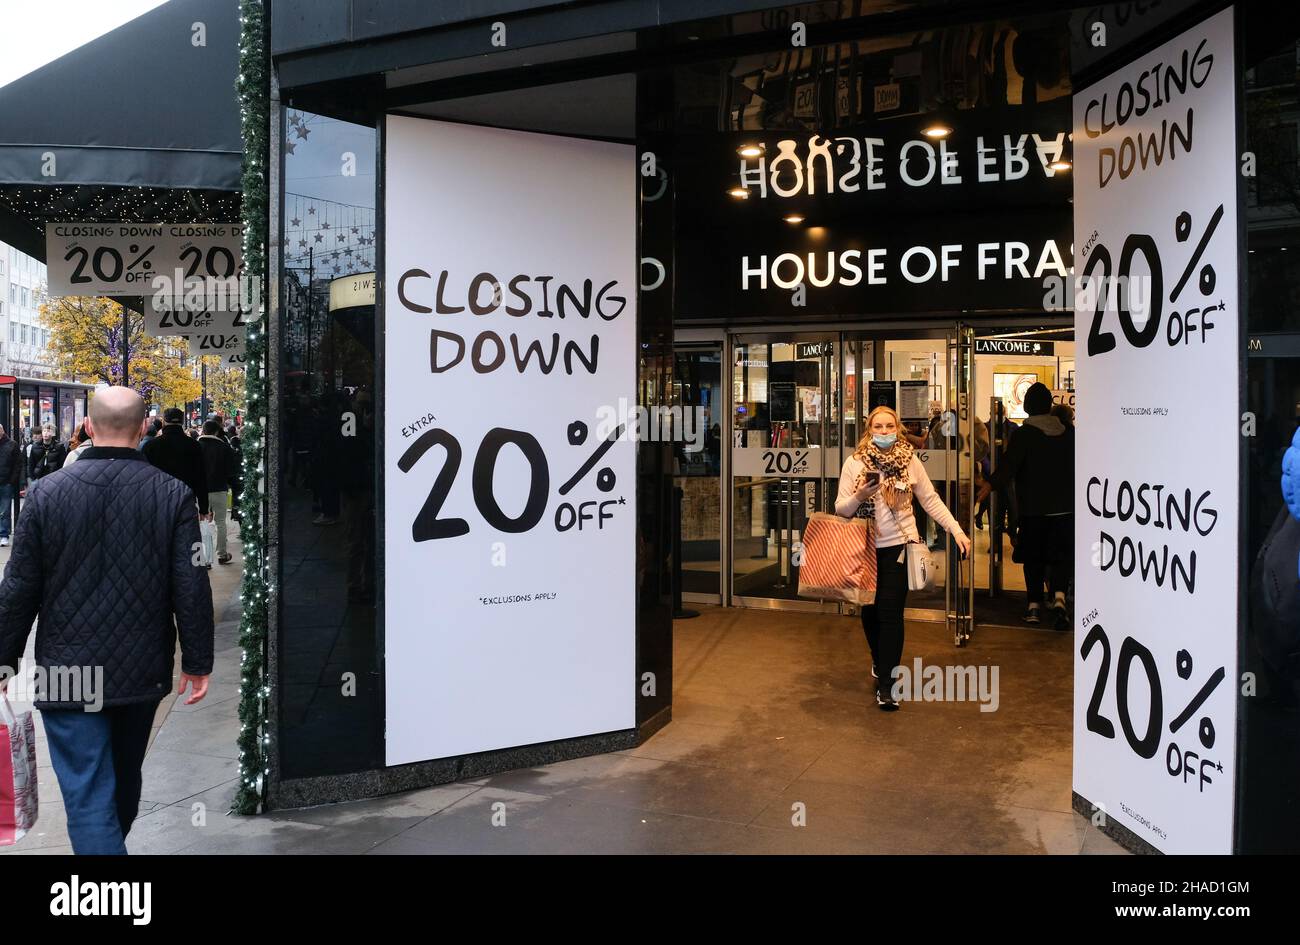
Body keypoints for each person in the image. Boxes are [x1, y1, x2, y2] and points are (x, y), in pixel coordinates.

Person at [0, 387, 214, 855]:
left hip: (67, 671)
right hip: (140, 666)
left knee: (90, 794)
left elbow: (18, 588)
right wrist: (197, 660)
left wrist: (4, 659)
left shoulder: (46, 494)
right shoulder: (172, 495)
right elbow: (191, 583)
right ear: (142, 428)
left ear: (89, 427)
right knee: (121, 781)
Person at [836, 405, 971, 711]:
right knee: (869, 614)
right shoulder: (855, 463)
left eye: (889, 426)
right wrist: (861, 494)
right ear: (869, 430)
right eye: (878, 427)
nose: (884, 432)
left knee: (890, 614)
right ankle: (879, 660)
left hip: (899, 546)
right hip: (864, 547)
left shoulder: (909, 460)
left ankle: (888, 684)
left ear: (898, 429)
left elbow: (930, 500)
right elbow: (840, 509)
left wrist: (956, 530)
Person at [978, 382, 1074, 630]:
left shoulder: (1024, 434)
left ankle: (1033, 605)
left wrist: (989, 486)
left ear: (1028, 406)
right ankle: (1060, 600)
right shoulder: (1069, 433)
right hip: (1065, 509)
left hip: (1033, 510)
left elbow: (1009, 467)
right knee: (1061, 556)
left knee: (1034, 558)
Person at [143, 407, 209, 516]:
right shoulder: (194, 445)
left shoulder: (151, 446)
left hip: (159, 498)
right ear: (182, 421)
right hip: (186, 498)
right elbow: (200, 476)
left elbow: (145, 477)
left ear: (164, 421)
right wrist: (203, 507)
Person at [198, 419, 237, 565]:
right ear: (216, 431)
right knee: (220, 522)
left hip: (200, 490)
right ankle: (222, 553)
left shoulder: (196, 446)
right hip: (219, 488)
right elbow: (231, 470)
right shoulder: (224, 447)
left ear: (203, 430)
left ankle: (204, 558)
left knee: (203, 523)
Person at [0, 424, 19, 548]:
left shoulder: (12, 445)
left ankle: (3, 535)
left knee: (5, 511)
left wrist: (11, 481)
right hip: (6, 482)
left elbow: (17, 464)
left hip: (6, 483)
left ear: (2, 431)